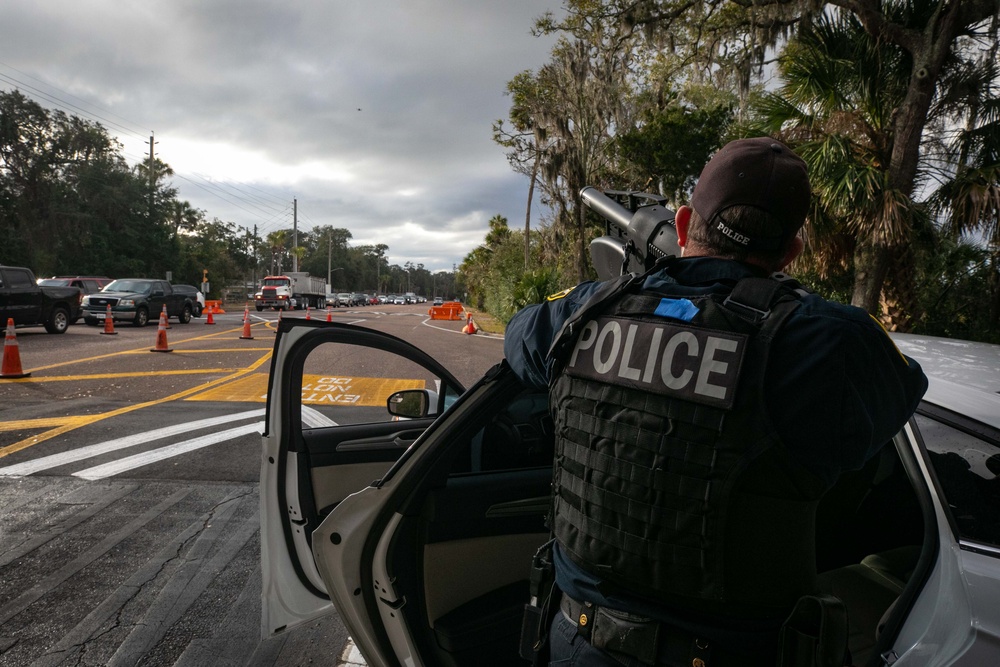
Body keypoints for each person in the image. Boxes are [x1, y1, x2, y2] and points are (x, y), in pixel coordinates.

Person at [504, 137, 928, 666]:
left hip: (578, 641)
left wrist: (644, 286)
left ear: (683, 225)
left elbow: (519, 338)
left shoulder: (585, 310)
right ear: (791, 254)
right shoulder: (832, 343)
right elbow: (903, 390)